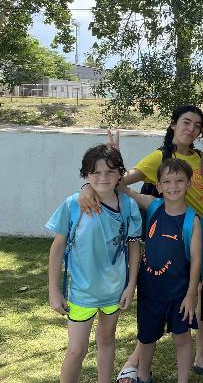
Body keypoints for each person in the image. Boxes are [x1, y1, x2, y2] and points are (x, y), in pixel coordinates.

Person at [79, 106, 203, 382]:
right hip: (174, 237)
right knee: (159, 308)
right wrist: (90, 184)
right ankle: (133, 364)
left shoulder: (201, 158)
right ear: (173, 125)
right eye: (186, 122)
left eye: (197, 125)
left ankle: (201, 357)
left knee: (201, 300)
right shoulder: (161, 157)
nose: (192, 129)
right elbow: (119, 182)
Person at [47, 145, 141, 383]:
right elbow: (57, 248)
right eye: (95, 172)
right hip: (82, 292)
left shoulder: (128, 206)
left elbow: (133, 246)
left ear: (120, 174)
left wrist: (130, 285)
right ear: (86, 175)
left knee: (107, 341)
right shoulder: (73, 205)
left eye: (110, 172)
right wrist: (54, 290)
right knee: (76, 350)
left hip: (114, 291)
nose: (103, 178)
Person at [118, 159, 203, 383]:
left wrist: (191, 294)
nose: (173, 186)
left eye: (179, 181)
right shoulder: (153, 205)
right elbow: (123, 188)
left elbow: (196, 260)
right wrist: (117, 159)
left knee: (181, 338)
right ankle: (143, 376)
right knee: (146, 338)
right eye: (167, 181)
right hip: (150, 289)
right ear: (158, 185)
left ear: (189, 184)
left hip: (179, 293)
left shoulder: (192, 221)